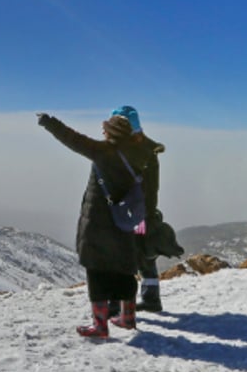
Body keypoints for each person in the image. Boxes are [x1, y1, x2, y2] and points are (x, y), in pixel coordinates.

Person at [37, 109, 161, 338]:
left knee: (96, 271)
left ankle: (100, 325)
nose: (102, 131)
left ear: (112, 132)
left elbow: (71, 138)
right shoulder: (139, 154)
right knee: (125, 269)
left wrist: (48, 122)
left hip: (99, 222)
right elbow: (149, 187)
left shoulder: (102, 151)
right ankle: (128, 317)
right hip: (126, 221)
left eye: (106, 128)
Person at [108, 106, 175, 313]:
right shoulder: (147, 148)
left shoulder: (130, 150)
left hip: (131, 212)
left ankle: (117, 304)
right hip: (144, 210)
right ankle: (151, 299)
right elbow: (151, 186)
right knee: (145, 254)